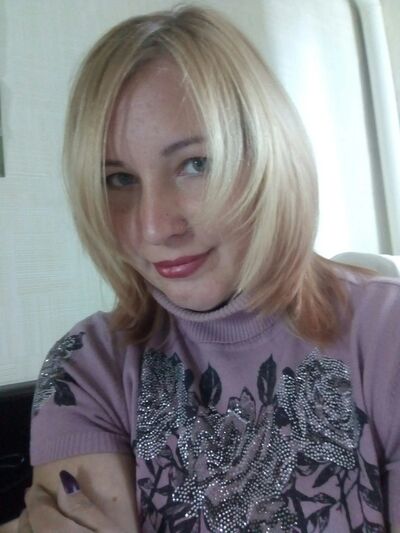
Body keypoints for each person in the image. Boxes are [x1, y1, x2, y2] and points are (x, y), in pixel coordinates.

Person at [15, 5, 400, 532]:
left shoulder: (386, 333)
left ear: (268, 156)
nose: (155, 227)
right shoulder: (88, 367)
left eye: (195, 164)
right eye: (119, 179)